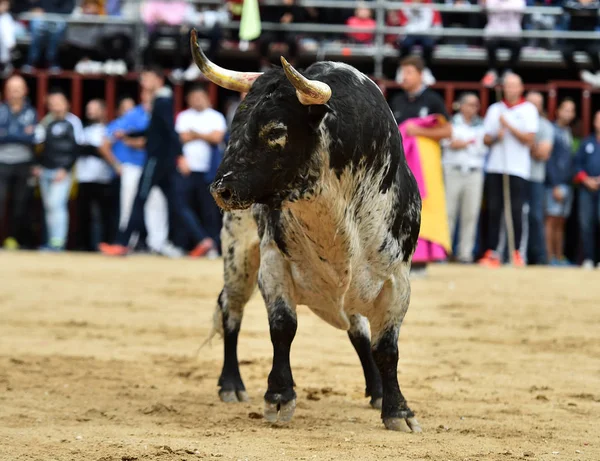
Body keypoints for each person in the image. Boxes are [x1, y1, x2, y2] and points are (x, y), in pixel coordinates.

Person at [99, 67, 217, 258]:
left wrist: (180, 155)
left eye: (147, 77)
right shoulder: (162, 100)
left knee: (139, 200)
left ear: (158, 80)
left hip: (156, 159)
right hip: (164, 161)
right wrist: (129, 134)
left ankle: (122, 243)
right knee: (177, 204)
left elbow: (169, 131)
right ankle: (204, 240)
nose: (143, 82)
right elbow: (156, 131)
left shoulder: (161, 100)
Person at [389, 56, 452, 276]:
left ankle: (422, 260)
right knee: (400, 206)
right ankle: (401, 257)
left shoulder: (433, 100)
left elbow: (447, 132)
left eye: (408, 72)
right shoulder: (397, 101)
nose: (403, 77)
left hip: (426, 167)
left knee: (425, 207)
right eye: (402, 72)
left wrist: (419, 132)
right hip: (402, 165)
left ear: (420, 74)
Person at [100, 89, 178, 257]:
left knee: (146, 202)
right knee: (172, 203)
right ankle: (202, 239)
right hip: (148, 164)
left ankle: (130, 243)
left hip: (153, 162)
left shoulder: (160, 107)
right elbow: (152, 134)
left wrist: (130, 139)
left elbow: (160, 136)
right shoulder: (144, 113)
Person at [479, 73, 538, 267]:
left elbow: (529, 140)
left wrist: (509, 127)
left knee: (516, 210)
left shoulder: (529, 109)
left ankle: (516, 252)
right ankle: (493, 252)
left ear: (521, 88)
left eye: (514, 86)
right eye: (508, 86)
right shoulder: (495, 109)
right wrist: (498, 134)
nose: (511, 89)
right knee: (494, 210)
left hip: (518, 169)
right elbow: (486, 139)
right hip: (496, 167)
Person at [175, 84, 225, 253]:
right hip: (188, 169)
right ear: (188, 100)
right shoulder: (183, 116)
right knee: (184, 208)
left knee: (209, 211)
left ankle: (212, 246)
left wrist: (194, 134)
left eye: (200, 97)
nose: (197, 100)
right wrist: (205, 135)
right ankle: (185, 245)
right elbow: (182, 137)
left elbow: (217, 137)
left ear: (207, 98)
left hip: (209, 171)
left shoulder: (216, 116)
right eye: (193, 97)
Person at [33, 89, 84, 251]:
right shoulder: (45, 122)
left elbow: (77, 149)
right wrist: (38, 166)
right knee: (49, 206)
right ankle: (51, 241)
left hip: (62, 171)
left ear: (67, 103)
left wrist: (65, 168)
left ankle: (58, 242)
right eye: (52, 103)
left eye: (58, 102)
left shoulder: (73, 122)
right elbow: (39, 146)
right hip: (45, 171)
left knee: (57, 205)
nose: (55, 106)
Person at [442, 93, 487, 263]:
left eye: (475, 105)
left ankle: (465, 253)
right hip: (453, 171)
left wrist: (462, 143)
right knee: (449, 213)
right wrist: (467, 143)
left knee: (470, 214)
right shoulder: (451, 122)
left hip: (474, 172)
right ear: (461, 106)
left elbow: (481, 148)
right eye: (469, 104)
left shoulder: (482, 125)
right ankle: (444, 252)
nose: (473, 108)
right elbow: (450, 143)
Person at [0, 76, 37, 250]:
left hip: (24, 163)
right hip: (2, 162)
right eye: (11, 88)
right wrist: (20, 134)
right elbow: (23, 135)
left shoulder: (31, 111)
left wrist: (8, 133)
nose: (15, 92)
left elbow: (32, 137)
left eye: (18, 88)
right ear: (6, 91)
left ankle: (14, 239)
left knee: (20, 203)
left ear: (25, 91)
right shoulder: (1, 110)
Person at [76, 99, 116, 251]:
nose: (90, 111)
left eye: (94, 108)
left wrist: (95, 150)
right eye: (88, 108)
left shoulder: (108, 129)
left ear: (103, 111)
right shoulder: (83, 130)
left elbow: (104, 151)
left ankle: (105, 243)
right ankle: (84, 246)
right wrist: (95, 150)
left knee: (104, 215)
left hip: (103, 178)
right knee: (84, 214)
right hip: (84, 177)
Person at [545, 98, 576, 266]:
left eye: (572, 111)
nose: (569, 114)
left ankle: (559, 256)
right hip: (554, 184)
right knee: (551, 220)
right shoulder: (552, 130)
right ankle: (549, 257)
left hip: (566, 184)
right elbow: (549, 160)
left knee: (561, 222)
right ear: (558, 111)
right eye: (566, 109)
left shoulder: (568, 132)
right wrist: (555, 184)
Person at [525, 91, 553, 265]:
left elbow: (542, 153)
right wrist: (532, 146)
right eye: (531, 103)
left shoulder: (545, 126)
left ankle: (540, 257)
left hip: (536, 178)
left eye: (537, 103)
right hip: (518, 175)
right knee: (516, 217)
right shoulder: (519, 122)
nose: (534, 107)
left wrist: (526, 144)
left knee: (536, 216)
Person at [387, 0, 441, 85]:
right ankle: (402, 69)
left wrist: (435, 35)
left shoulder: (430, 5)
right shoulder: (405, 5)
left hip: (425, 33)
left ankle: (424, 69)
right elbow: (401, 22)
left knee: (429, 45)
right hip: (409, 32)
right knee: (405, 44)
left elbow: (436, 22)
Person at [573, 110, 600, 269]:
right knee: (585, 224)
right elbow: (577, 164)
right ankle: (589, 258)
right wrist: (586, 179)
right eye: (597, 118)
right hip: (586, 189)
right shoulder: (586, 142)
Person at [480, 0, 526, 88]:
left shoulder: (518, 1)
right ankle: (492, 72)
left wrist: (497, 6)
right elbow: (484, 6)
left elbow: (520, 8)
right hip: (494, 34)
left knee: (518, 46)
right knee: (490, 44)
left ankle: (508, 72)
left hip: (512, 35)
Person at [22, 0, 76, 73]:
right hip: (43, 19)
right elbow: (35, 7)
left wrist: (49, 14)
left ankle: (51, 61)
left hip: (59, 19)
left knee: (57, 27)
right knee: (36, 25)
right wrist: (36, 10)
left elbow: (67, 11)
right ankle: (32, 61)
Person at [258, 0, 305, 71]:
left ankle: (292, 67)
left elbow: (300, 17)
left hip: (288, 30)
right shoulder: (272, 5)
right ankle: (265, 65)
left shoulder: (294, 6)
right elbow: (266, 17)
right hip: (273, 28)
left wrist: (290, 8)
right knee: (264, 39)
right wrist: (280, 20)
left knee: (293, 40)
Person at [561, 0, 600, 86]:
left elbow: (595, 8)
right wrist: (586, 9)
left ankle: (598, 74)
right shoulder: (571, 1)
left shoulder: (596, 2)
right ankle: (580, 74)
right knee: (566, 52)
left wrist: (580, 9)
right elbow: (566, 6)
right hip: (574, 38)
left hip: (589, 38)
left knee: (595, 52)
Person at [0, 0, 17, 77]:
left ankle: (5, 64)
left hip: (4, 55)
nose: (5, 7)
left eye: (6, 5)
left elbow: (9, 38)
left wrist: (11, 45)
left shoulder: (7, 18)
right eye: (2, 4)